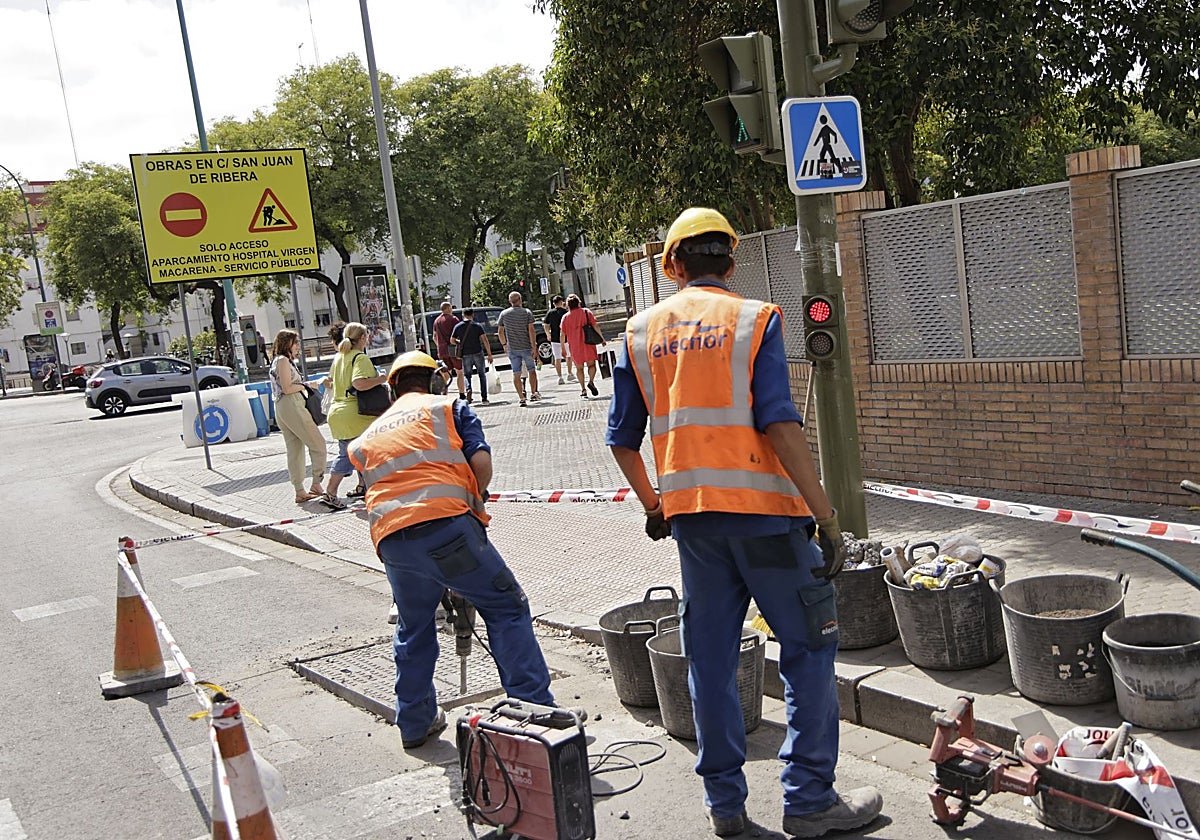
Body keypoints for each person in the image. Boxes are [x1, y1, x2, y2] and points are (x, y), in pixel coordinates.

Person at [605, 208, 880, 839]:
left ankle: (726, 807)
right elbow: (779, 424)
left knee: (709, 660)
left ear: (671, 266)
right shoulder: (754, 320)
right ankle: (809, 800)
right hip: (771, 525)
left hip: (696, 527)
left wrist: (654, 504)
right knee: (809, 651)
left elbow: (620, 440)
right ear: (731, 261)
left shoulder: (640, 332)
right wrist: (827, 518)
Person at [347, 351, 555, 749]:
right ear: (436, 381)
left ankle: (414, 723)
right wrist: (476, 502)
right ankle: (535, 712)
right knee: (506, 607)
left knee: (414, 627)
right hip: (448, 530)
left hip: (393, 542)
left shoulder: (371, 434)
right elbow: (479, 461)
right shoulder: (448, 407)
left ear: (392, 389)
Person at [320, 321, 389, 510]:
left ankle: (367, 491)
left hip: (337, 412)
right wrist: (381, 379)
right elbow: (358, 383)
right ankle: (331, 492)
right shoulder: (359, 358)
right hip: (356, 414)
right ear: (364, 338)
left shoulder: (339, 357)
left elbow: (332, 382)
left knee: (357, 454)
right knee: (356, 454)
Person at [269, 329, 327, 504]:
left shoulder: (278, 361)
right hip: (291, 403)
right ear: (287, 343)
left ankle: (299, 490)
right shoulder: (283, 361)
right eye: (296, 343)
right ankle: (316, 483)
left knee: (295, 450)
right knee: (318, 444)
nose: (298, 347)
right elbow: (287, 388)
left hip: (282, 406)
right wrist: (306, 385)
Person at [496, 291, 540, 406]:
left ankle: (521, 397)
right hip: (526, 346)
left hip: (512, 348)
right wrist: (534, 346)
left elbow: (500, 331)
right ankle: (534, 393)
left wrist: (504, 344)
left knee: (516, 373)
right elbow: (531, 330)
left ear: (510, 301)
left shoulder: (504, 314)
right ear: (520, 300)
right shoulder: (527, 313)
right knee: (531, 370)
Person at [560, 294, 604, 399]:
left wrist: (562, 348)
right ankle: (591, 381)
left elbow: (562, 334)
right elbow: (595, 325)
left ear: (568, 305)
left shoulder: (565, 317)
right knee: (591, 365)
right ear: (579, 302)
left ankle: (583, 389)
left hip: (575, 346)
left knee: (579, 368)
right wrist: (602, 339)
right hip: (588, 343)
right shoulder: (586, 312)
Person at [450, 308, 493, 405]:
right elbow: (485, 340)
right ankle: (484, 397)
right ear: (472, 315)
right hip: (478, 352)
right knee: (482, 375)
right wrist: (489, 354)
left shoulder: (458, 326)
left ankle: (468, 389)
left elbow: (452, 340)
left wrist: (459, 342)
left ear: (463, 315)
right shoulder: (477, 326)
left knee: (467, 375)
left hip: (466, 354)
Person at [432, 301, 466, 399]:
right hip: (453, 350)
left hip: (442, 351)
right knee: (460, 372)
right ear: (447, 308)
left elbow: (434, 337)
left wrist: (439, 345)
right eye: (450, 307)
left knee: (445, 374)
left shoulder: (437, 321)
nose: (451, 309)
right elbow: (459, 333)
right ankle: (462, 394)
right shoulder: (453, 319)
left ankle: (442, 394)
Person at [543, 294, 572, 385]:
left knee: (557, 358)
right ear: (561, 302)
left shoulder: (550, 313)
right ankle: (569, 373)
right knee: (568, 356)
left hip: (554, 338)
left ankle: (560, 377)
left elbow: (546, 325)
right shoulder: (566, 312)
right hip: (566, 337)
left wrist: (548, 334)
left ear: (553, 303)